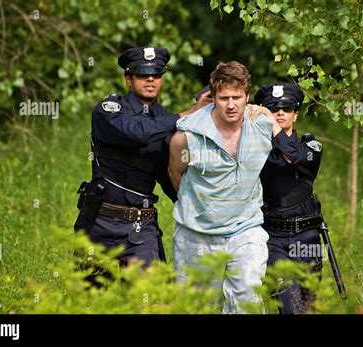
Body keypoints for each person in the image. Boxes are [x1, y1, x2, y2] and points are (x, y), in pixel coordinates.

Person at [74, 46, 204, 269]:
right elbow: (137, 131)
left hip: (140, 227)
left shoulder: (166, 121)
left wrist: (197, 213)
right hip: (99, 222)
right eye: (143, 74)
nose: (151, 79)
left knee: (149, 300)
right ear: (128, 79)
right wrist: (187, 115)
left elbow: (168, 176)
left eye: (156, 74)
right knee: (90, 300)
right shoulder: (109, 110)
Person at [168, 61, 281, 314]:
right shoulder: (187, 137)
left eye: (237, 97)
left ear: (247, 97)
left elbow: (290, 153)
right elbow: (175, 175)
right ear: (213, 98)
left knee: (248, 298)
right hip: (197, 233)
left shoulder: (262, 124)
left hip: (246, 228)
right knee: (196, 306)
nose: (231, 105)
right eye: (224, 98)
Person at [254, 83, 324, 313]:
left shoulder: (310, 148)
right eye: (273, 109)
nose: (280, 113)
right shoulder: (256, 148)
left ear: (296, 113)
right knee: (289, 305)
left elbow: (293, 158)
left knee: (307, 307)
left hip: (307, 236)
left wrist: (272, 124)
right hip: (274, 237)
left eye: (286, 108)